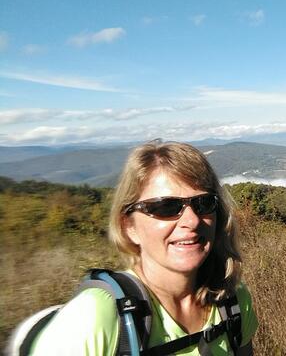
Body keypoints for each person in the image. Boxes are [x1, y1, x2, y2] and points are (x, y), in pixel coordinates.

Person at [29, 140, 258, 355]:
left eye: (204, 203)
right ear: (129, 226)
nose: (192, 220)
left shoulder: (232, 300)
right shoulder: (93, 317)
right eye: (166, 207)